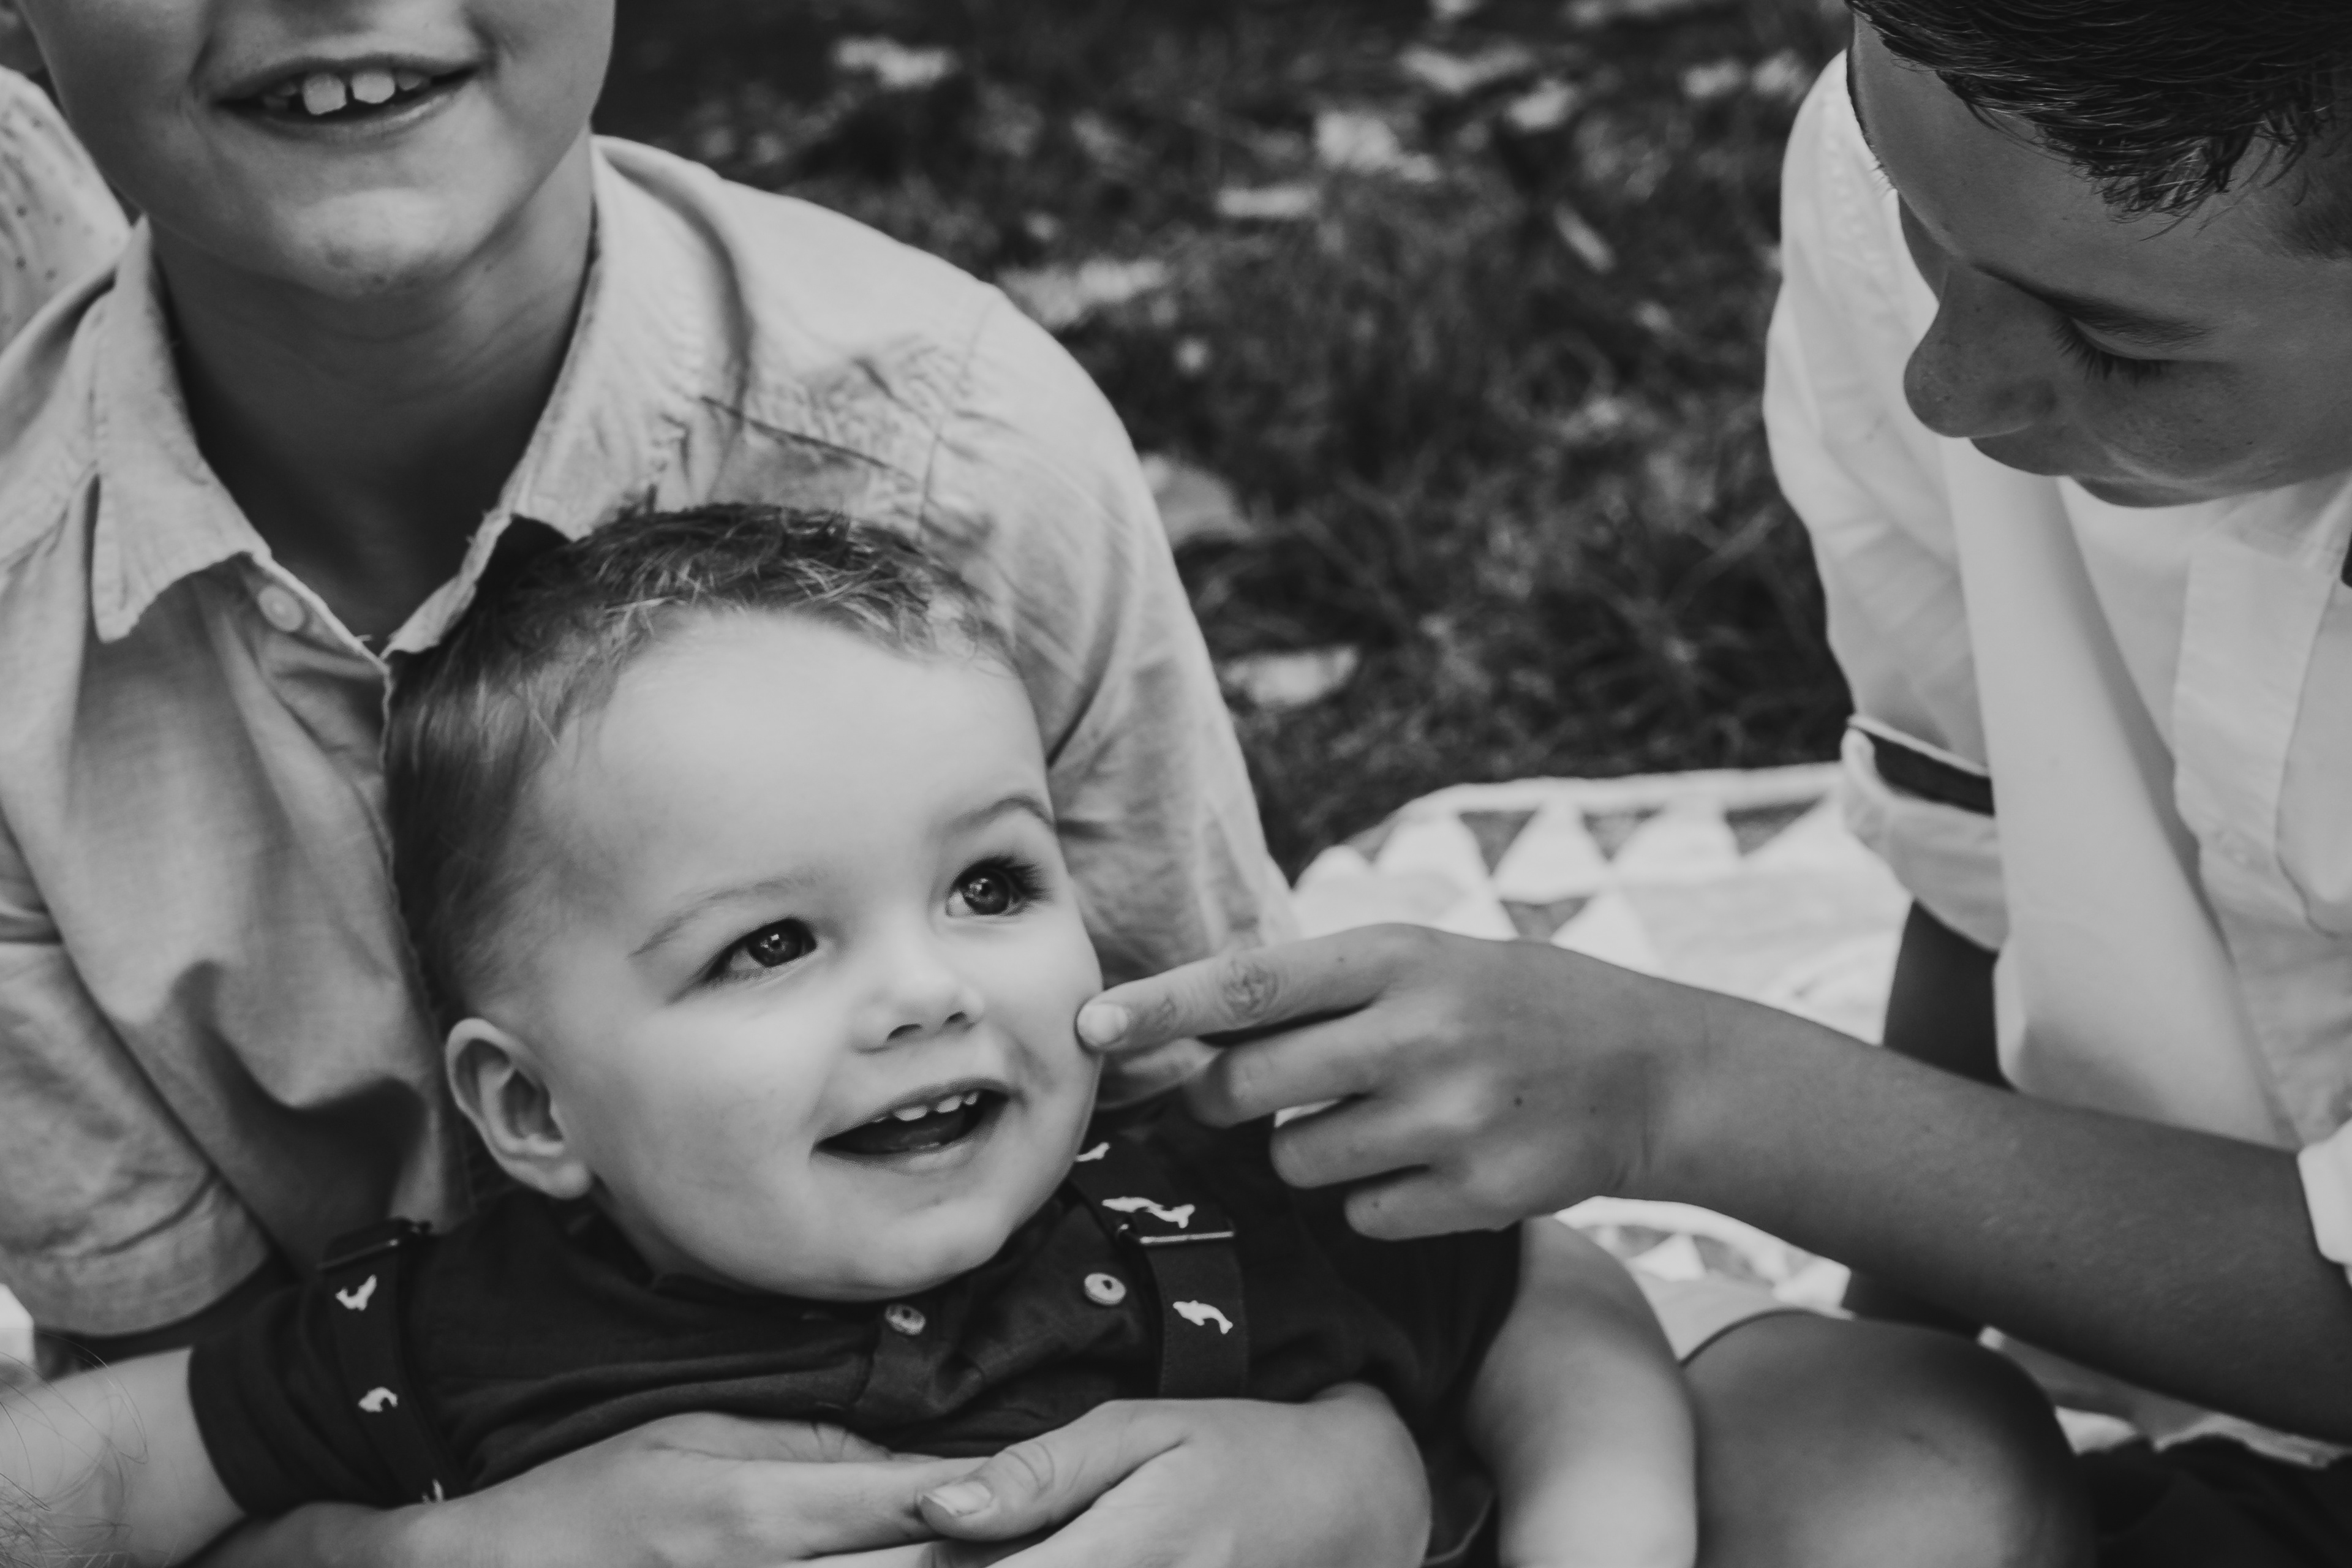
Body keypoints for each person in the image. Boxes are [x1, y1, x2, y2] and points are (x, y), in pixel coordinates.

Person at [0, 1, 1427, 1564]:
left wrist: (1366, 1468)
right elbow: (138, 1469)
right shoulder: (19, 639)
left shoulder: (961, 453)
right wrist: (424, 1555)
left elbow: (1311, 1173)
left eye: (989, 884)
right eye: (770, 941)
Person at [1071, 4, 2352, 1565]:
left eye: (2120, 347)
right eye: (1919, 221)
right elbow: (1983, 848)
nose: (1946, 385)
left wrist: (1683, 1087)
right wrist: (1901, 1421)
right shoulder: (1978, 158)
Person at [1, 505, 1698, 1568]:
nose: (925, 990)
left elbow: (1541, 1291)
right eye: (771, 943)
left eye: (988, 884)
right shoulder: (456, 1334)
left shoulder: (1197, 1222)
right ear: (533, 1108)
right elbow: (88, 1474)